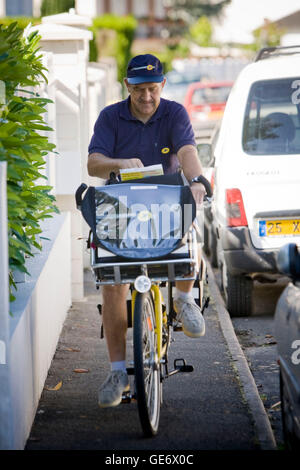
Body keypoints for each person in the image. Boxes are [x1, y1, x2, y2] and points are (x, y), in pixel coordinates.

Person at [87, 54, 207, 408]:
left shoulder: (174, 113)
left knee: (191, 226)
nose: (147, 97)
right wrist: (119, 162)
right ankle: (118, 371)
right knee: (111, 281)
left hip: (165, 204)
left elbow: (187, 150)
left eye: (153, 89)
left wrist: (198, 180)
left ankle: (185, 299)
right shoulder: (110, 116)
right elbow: (94, 163)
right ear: (128, 86)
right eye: (139, 90)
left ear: (162, 86)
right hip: (122, 209)